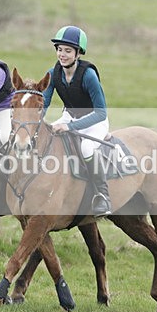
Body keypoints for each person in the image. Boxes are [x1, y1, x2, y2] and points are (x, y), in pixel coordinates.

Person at [41, 25, 112, 216]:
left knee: (86, 148)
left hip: (94, 121)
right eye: (59, 49)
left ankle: (102, 196)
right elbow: (44, 103)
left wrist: (69, 126)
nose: (62, 55)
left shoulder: (88, 75)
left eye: (67, 51)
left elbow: (101, 113)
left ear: (78, 53)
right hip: (69, 116)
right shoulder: (53, 73)